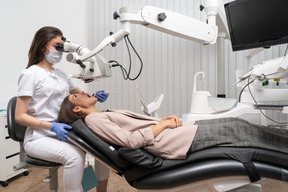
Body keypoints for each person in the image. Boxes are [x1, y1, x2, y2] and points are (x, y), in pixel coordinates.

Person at [58, 91, 288, 161]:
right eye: (75, 96)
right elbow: (130, 142)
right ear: (77, 109)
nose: (82, 91)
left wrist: (164, 121)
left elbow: (137, 129)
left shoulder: (103, 114)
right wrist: (165, 125)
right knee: (242, 130)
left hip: (178, 132)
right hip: (175, 141)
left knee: (240, 123)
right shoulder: (94, 120)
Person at [15, 26, 109, 192]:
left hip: (64, 132)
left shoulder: (61, 74)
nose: (60, 50)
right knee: (74, 157)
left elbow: (80, 95)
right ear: (43, 46)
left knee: (102, 148)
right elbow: (20, 116)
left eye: (62, 46)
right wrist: (51, 126)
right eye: (56, 46)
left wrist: (94, 96)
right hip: (39, 137)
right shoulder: (31, 74)